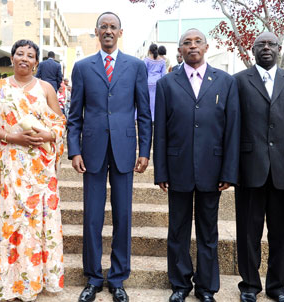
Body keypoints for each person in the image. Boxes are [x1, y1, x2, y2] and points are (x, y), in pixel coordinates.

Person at [67, 11, 152, 302]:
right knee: (91, 217)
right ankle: (92, 277)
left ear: (120, 32)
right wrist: (74, 150)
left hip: (125, 150)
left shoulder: (136, 66)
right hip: (91, 151)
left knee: (123, 215)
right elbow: (74, 114)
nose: (107, 31)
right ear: (96, 32)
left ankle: (117, 278)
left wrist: (145, 150)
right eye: (103, 26)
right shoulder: (82, 67)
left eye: (112, 27)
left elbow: (144, 112)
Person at [153, 28, 240, 302]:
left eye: (197, 42)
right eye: (186, 43)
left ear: (206, 47)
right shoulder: (168, 83)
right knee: (177, 230)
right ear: (179, 50)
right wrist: (161, 171)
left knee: (208, 231)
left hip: (212, 170)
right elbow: (161, 132)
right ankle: (180, 284)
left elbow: (232, 129)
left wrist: (229, 171)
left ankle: (206, 287)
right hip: (177, 168)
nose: (192, 46)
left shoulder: (225, 81)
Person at [0, 39, 66, 301]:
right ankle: (4, 281)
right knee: (6, 222)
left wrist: (48, 134)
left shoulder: (45, 88)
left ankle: (31, 280)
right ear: (12, 58)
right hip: (6, 164)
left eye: (30, 55)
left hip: (37, 169)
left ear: (37, 62)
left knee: (33, 223)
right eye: (19, 54)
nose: (24, 58)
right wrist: (10, 137)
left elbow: (60, 124)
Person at [233, 32, 284, 302]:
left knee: (282, 232)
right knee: (248, 232)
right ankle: (249, 286)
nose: (266, 48)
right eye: (261, 45)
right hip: (249, 168)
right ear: (252, 49)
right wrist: (231, 169)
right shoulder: (238, 82)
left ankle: (278, 287)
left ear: (280, 49)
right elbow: (232, 128)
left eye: (271, 44)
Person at [144, 43, 166, 121]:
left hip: (148, 82)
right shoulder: (162, 61)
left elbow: (144, 73)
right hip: (158, 83)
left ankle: (148, 116)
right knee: (157, 101)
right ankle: (155, 117)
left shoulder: (146, 60)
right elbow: (163, 75)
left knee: (148, 101)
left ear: (149, 51)